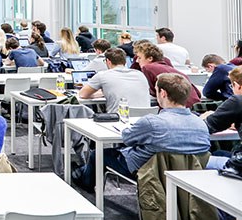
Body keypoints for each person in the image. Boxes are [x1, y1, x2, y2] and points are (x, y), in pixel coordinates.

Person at [73, 73, 210, 191]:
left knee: (98, 155)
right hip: (190, 177)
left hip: (148, 171)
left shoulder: (152, 123)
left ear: (163, 93)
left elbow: (127, 138)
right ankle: (81, 172)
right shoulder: (201, 124)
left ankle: (85, 182)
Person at [78, 48, 152, 113]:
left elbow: (82, 94)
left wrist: (102, 93)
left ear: (108, 61)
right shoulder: (140, 74)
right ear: (125, 61)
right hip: (145, 119)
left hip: (118, 119)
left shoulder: (102, 75)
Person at [135, 42, 201, 108]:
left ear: (150, 58)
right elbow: (198, 93)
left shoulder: (148, 68)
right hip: (193, 107)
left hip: (176, 108)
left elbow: (153, 93)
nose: (137, 61)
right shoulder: (170, 69)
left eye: (139, 58)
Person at [201, 66, 242, 167]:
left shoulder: (237, 101)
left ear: (237, 86)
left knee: (207, 158)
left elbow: (207, 127)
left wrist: (205, 117)